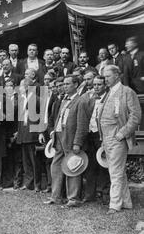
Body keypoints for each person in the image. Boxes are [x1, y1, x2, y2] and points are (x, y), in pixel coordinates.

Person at [98, 65, 141, 214]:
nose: (105, 79)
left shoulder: (127, 92)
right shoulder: (107, 93)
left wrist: (123, 133)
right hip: (107, 137)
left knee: (115, 172)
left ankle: (114, 205)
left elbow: (135, 116)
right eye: (104, 77)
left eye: (108, 76)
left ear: (117, 76)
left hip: (118, 137)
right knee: (117, 171)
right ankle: (126, 202)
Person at [45, 75, 86, 207]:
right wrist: (54, 135)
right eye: (64, 84)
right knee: (55, 166)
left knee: (73, 167)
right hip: (59, 138)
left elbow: (82, 124)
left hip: (71, 139)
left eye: (68, 84)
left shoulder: (80, 101)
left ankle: (73, 198)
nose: (64, 86)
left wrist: (77, 143)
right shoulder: (63, 100)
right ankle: (56, 196)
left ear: (76, 85)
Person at [77, 76, 110, 204]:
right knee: (90, 165)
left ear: (105, 85)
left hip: (101, 136)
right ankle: (90, 194)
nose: (96, 87)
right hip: (90, 135)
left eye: (99, 84)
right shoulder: (89, 98)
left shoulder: (108, 98)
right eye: (94, 84)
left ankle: (104, 194)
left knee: (103, 165)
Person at [16, 78, 41, 192]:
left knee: (35, 161)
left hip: (33, 134)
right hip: (23, 133)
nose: (19, 88)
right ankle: (29, 183)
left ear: (26, 87)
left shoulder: (36, 99)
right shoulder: (22, 100)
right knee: (26, 161)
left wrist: (40, 132)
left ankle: (37, 184)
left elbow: (41, 118)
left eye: (20, 86)